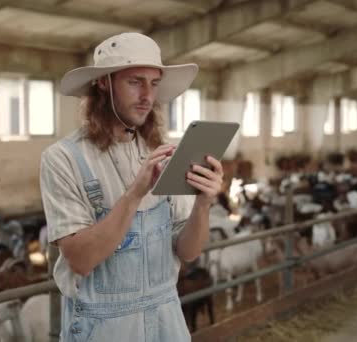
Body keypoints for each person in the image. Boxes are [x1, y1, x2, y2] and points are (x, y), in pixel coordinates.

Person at [39, 32, 223, 341]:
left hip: (167, 319)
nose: (147, 96)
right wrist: (135, 193)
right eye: (135, 82)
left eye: (154, 83)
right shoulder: (62, 159)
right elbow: (81, 261)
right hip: (104, 328)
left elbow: (188, 252)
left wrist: (204, 204)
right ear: (104, 83)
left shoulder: (166, 153)